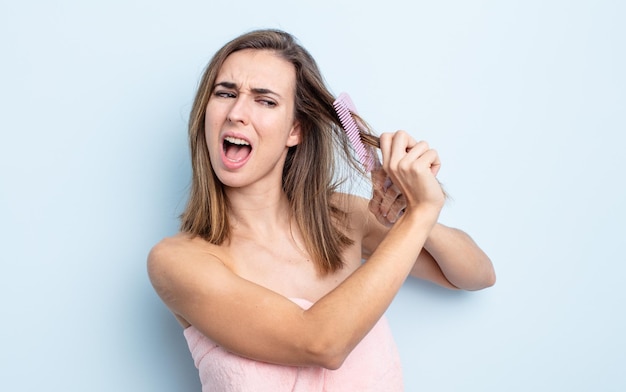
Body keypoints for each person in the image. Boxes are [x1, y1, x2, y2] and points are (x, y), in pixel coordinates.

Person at [148, 28, 495, 392]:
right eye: (226, 93)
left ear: (294, 130)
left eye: (265, 101)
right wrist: (423, 212)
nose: (237, 113)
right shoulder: (177, 263)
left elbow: (477, 274)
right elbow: (321, 343)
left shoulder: (341, 219)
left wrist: (411, 210)